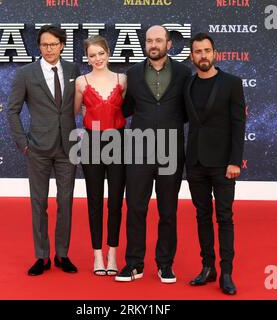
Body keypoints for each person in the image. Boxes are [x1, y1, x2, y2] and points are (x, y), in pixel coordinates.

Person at [115, 25, 190, 284]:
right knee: (136, 207)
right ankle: (134, 264)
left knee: (168, 210)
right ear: (144, 44)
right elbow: (124, 109)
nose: (153, 44)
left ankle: (165, 264)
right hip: (138, 148)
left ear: (169, 44)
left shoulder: (184, 72)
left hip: (171, 149)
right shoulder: (133, 74)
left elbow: (190, 109)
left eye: (159, 40)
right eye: (149, 41)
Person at [7, 25, 80, 276]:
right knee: (39, 203)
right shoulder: (25, 73)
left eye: (53, 44)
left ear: (62, 45)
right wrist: (23, 143)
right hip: (37, 147)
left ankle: (62, 254)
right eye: (44, 44)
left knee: (65, 202)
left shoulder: (73, 70)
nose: (49, 49)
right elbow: (12, 110)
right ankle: (42, 256)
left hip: (67, 148)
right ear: (39, 47)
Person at [184, 33, 246, 295]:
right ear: (192, 56)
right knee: (201, 216)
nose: (203, 56)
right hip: (195, 162)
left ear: (215, 53)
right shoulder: (187, 84)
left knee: (224, 217)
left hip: (223, 165)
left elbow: (238, 124)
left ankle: (227, 273)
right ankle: (207, 268)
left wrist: (234, 161)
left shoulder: (231, 83)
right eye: (198, 51)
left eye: (207, 50)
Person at [74, 35, 127, 276]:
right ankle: (97, 255)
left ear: (108, 53)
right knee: (94, 200)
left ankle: (112, 254)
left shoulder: (122, 79)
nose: (97, 58)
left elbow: (124, 109)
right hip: (91, 143)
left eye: (101, 53)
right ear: (87, 59)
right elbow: (75, 110)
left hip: (118, 142)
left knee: (115, 201)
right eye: (92, 55)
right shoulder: (81, 82)